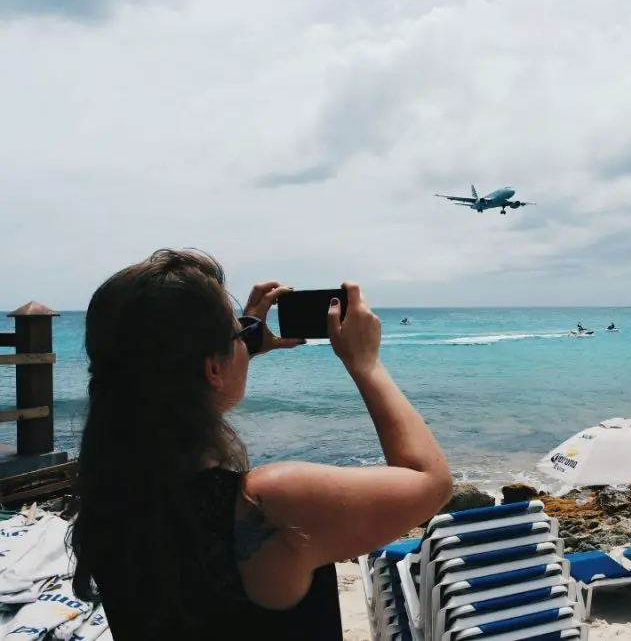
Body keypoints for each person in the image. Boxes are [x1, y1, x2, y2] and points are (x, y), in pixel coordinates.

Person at [68, 249, 453, 640]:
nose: (243, 335)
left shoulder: (111, 491)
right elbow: (431, 482)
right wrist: (365, 362)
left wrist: (241, 340)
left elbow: (158, 376)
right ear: (212, 369)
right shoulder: (271, 505)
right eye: (236, 330)